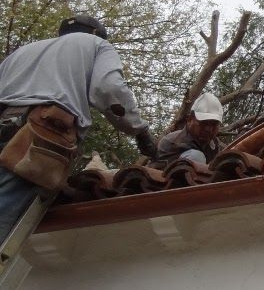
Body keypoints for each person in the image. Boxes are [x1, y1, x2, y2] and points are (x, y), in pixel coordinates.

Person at [0, 13, 155, 241]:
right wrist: (139, 131)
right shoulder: (97, 44)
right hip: (35, 136)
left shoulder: (24, 51)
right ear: (97, 34)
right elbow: (109, 89)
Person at [154, 92, 223, 166]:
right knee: (195, 156)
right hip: (166, 176)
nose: (208, 129)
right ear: (190, 119)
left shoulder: (214, 145)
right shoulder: (171, 142)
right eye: (203, 123)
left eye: (214, 124)